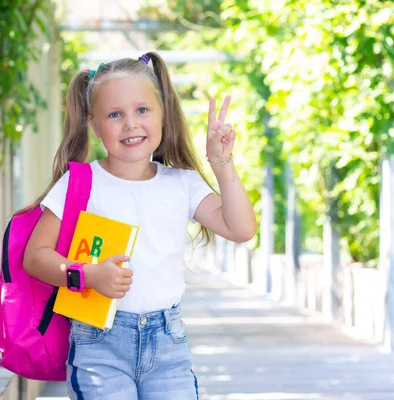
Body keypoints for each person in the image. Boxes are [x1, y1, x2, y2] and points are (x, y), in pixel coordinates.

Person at [23, 51, 257, 400]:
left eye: (142, 110)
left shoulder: (182, 183)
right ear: (94, 124)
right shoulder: (81, 184)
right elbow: (35, 257)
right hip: (99, 342)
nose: (130, 123)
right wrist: (88, 274)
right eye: (115, 114)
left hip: (168, 345)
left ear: (163, 114)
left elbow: (241, 229)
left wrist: (221, 164)